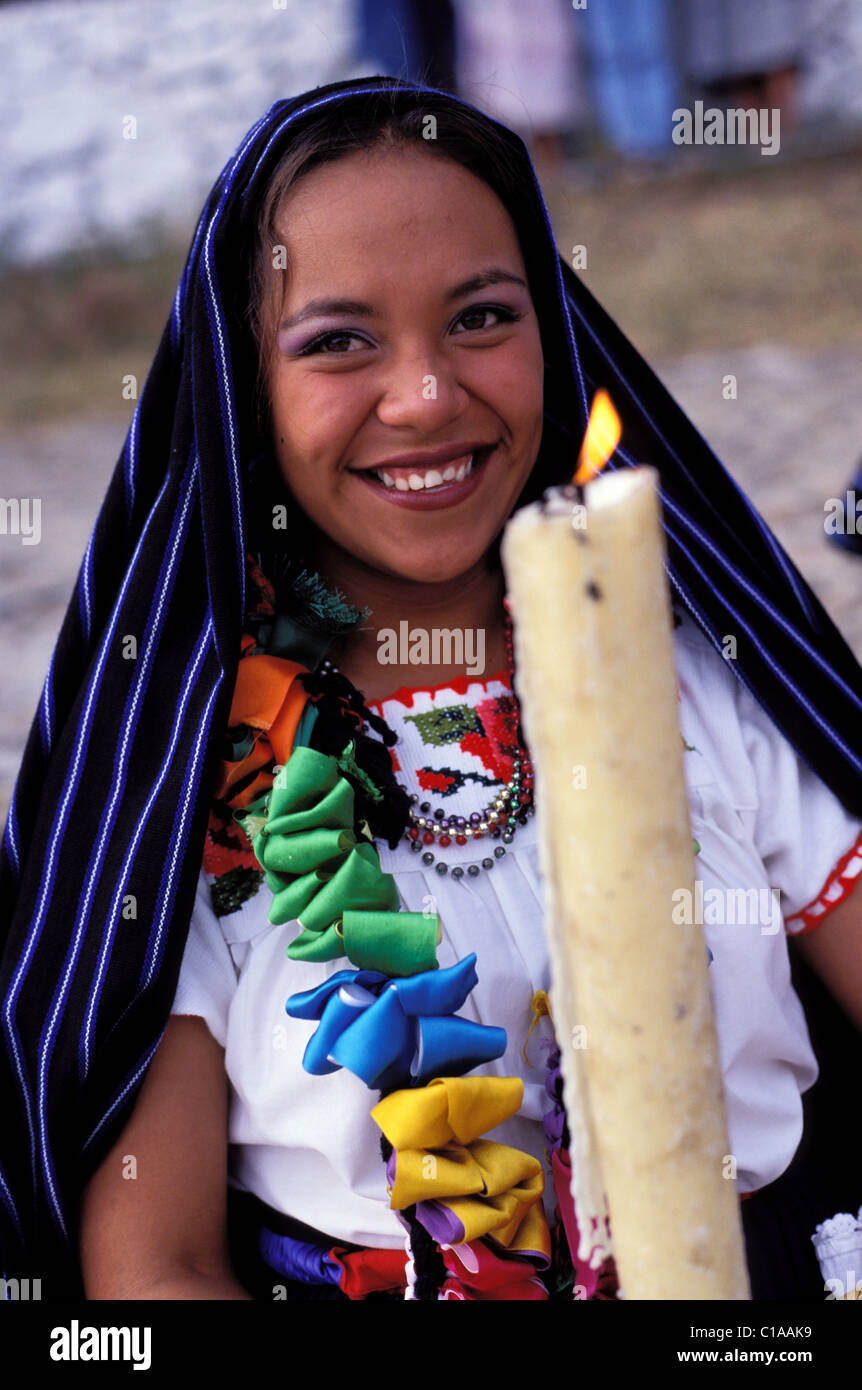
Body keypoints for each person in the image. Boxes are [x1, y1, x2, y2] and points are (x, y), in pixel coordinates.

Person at [2, 74, 862, 1302]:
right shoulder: (193, 785)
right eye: (338, 341)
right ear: (244, 387)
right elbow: (157, 1266)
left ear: (553, 335)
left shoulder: (703, 684)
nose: (423, 396)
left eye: (480, 318)